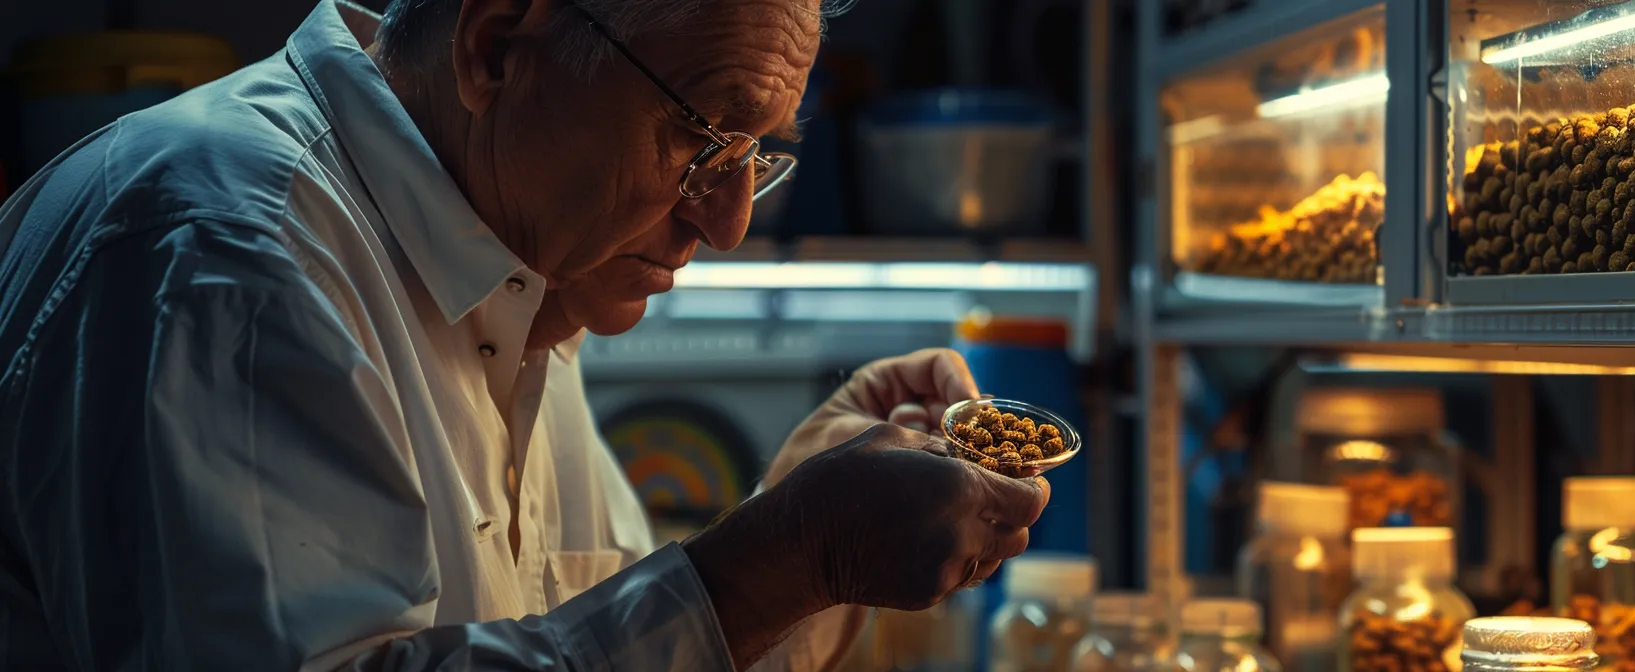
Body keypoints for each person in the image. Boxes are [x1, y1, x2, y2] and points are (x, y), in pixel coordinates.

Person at [0, 0, 1052, 670]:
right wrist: (786, 555)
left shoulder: (522, 277)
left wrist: (808, 544)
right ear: (497, 46)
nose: (727, 220)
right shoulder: (239, 254)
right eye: (699, 136)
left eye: (754, 155)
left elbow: (605, 640)